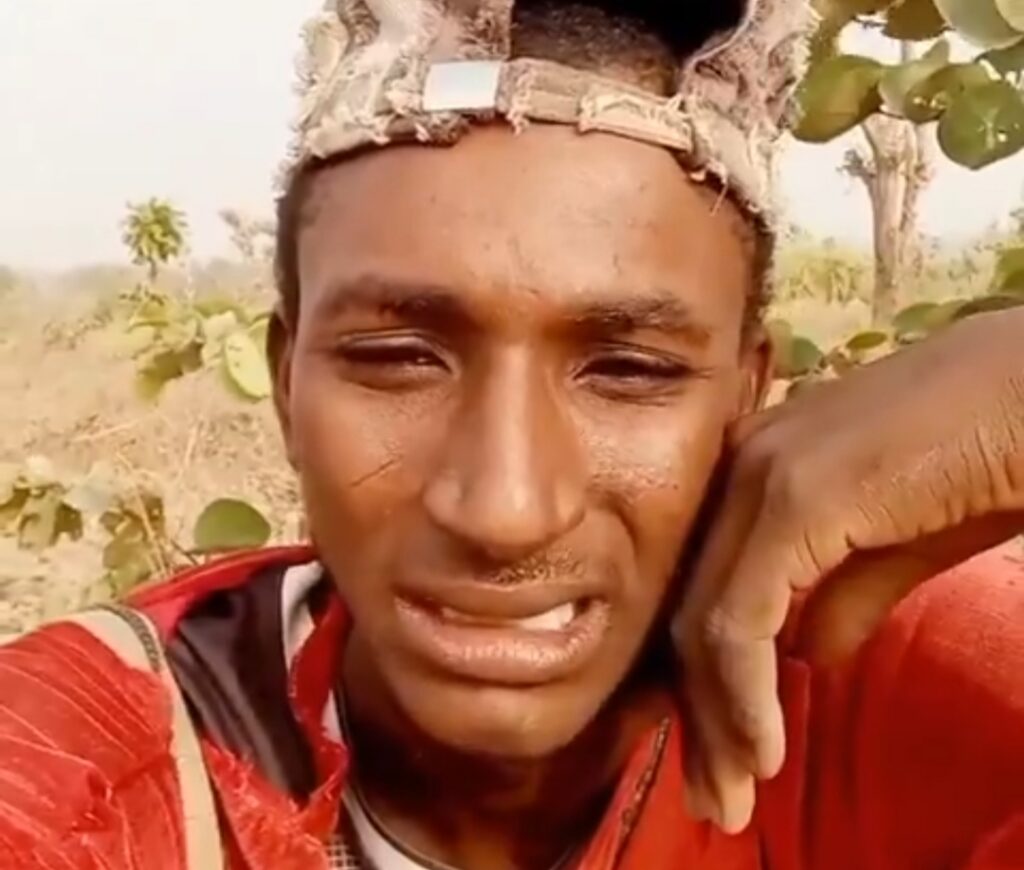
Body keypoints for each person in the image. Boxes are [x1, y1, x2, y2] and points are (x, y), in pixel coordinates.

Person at [1, 1, 1022, 868]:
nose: (505, 511)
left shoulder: (910, 694)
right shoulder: (82, 761)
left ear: (747, 400)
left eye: (629, 371)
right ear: (285, 383)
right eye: (400, 358)